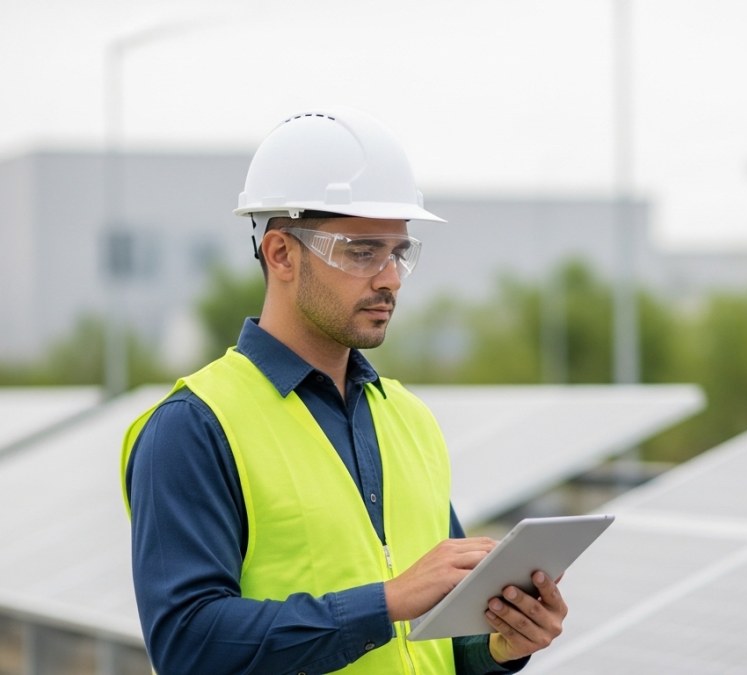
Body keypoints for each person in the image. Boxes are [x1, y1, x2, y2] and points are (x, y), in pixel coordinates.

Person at [121, 107, 567, 674]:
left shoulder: (408, 418)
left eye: (398, 252)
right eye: (362, 252)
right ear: (281, 254)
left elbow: (439, 637)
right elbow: (188, 646)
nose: (390, 278)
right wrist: (386, 602)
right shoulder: (195, 427)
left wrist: (501, 644)